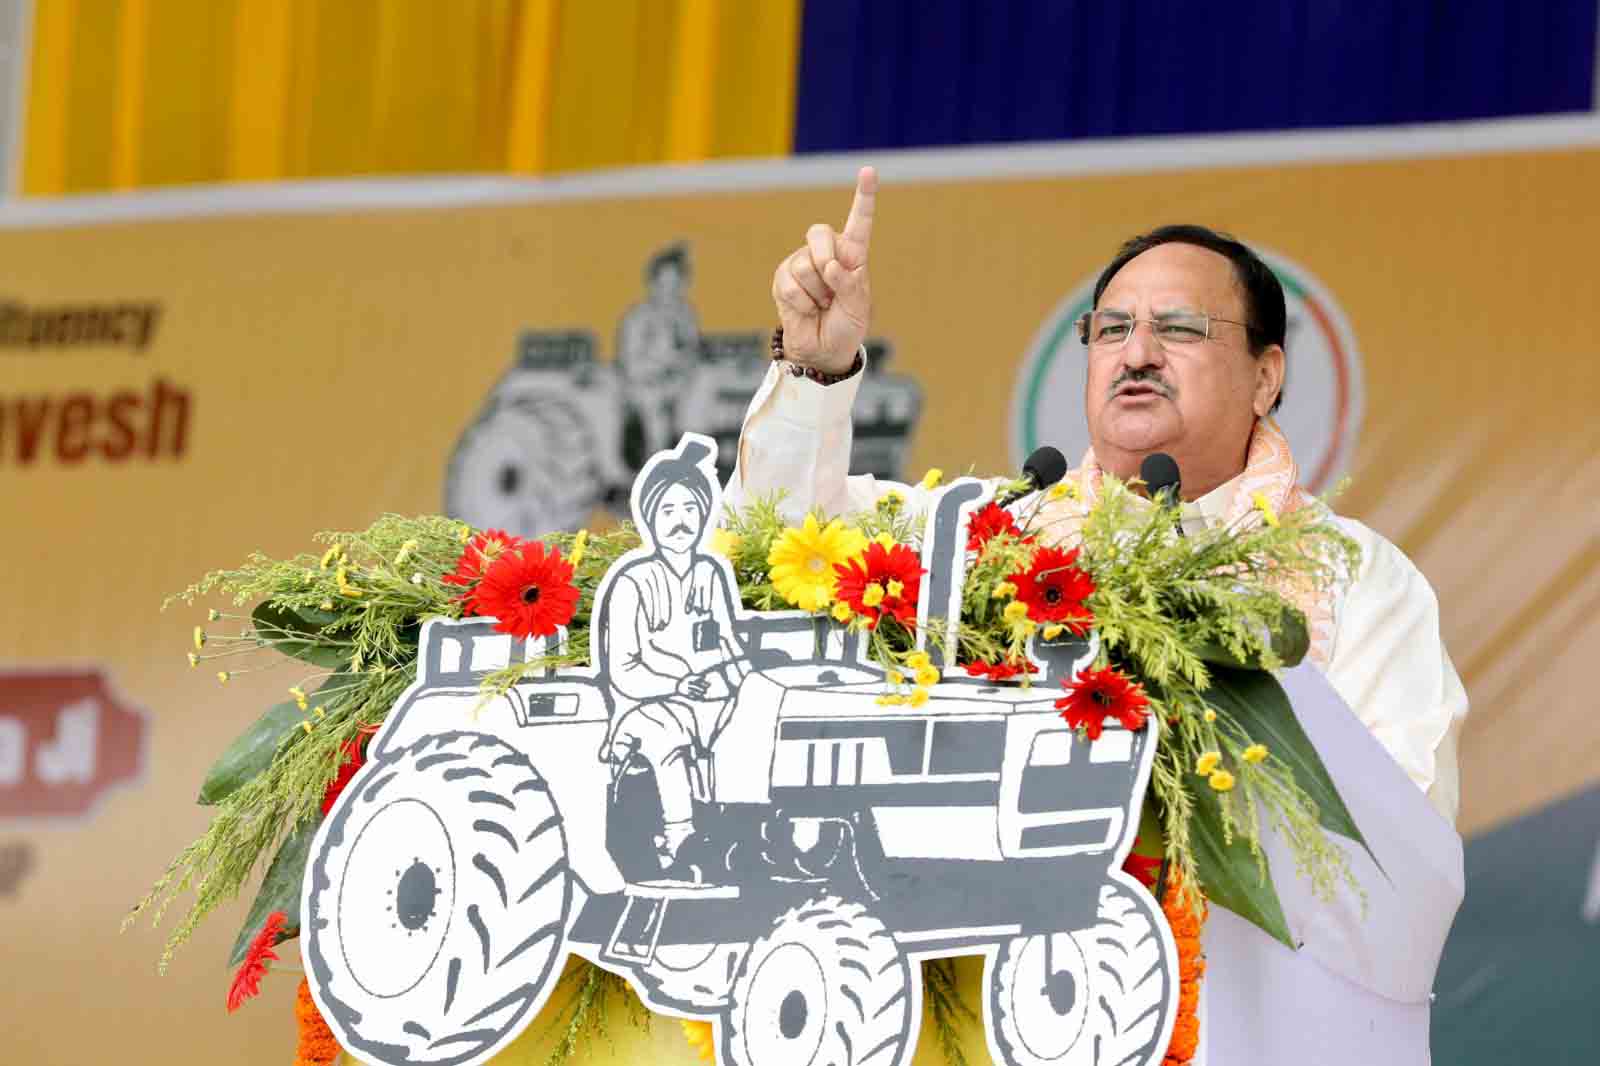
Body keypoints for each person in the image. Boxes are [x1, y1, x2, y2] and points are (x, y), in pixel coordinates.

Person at [724, 167, 1468, 1063]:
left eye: (1179, 328)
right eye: (1110, 329)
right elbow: (783, 547)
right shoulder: (999, 536)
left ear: (1267, 374)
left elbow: (1398, 858)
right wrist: (815, 367)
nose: (1136, 352)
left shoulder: (1354, 577)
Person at [596, 437, 745, 872]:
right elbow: (623, 671)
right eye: (667, 511)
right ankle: (683, 842)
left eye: (689, 510)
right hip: (641, 708)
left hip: (709, 701)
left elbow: (729, 646)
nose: (679, 523)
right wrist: (677, 684)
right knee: (666, 736)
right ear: (649, 518)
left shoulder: (711, 572)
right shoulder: (632, 581)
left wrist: (751, 675)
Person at [615, 243, 701, 472]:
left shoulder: (686, 316)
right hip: (645, 386)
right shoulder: (638, 318)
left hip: (680, 383)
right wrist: (665, 366)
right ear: (653, 284)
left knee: (699, 406)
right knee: (657, 417)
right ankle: (656, 470)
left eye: (675, 284)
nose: (670, 291)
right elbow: (631, 365)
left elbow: (692, 354)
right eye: (664, 284)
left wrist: (682, 371)